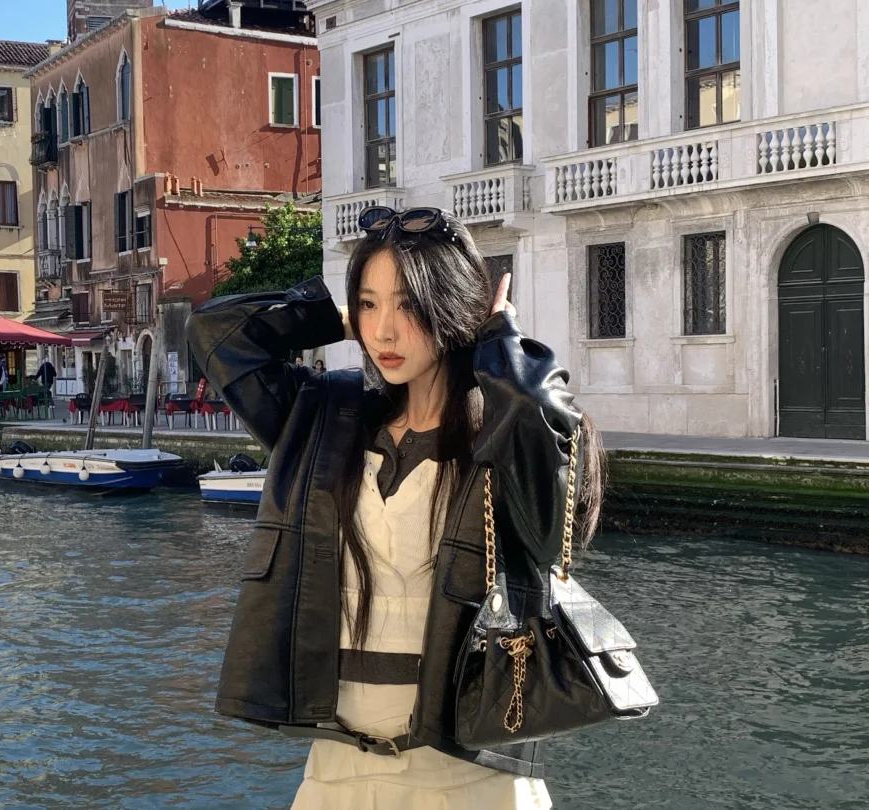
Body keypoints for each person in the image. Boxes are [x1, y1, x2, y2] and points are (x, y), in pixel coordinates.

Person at [187, 207, 604, 810]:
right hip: (336, 773)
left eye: (408, 305)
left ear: (453, 307)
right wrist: (343, 318)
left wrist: (499, 342)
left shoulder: (505, 439)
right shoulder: (325, 424)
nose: (384, 331)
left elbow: (539, 446)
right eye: (370, 303)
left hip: (470, 779)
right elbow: (216, 331)